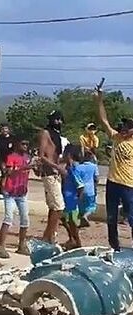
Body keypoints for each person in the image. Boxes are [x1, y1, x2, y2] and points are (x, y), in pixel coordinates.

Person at [94, 88, 133, 251]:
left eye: (128, 127)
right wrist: (99, 100)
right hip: (112, 182)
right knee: (111, 217)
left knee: (131, 217)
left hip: (128, 185)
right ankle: (114, 246)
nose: (124, 128)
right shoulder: (116, 137)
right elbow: (104, 120)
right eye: (123, 125)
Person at [0, 138, 34, 259]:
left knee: (25, 219)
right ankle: (1, 246)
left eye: (27, 144)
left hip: (22, 192)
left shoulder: (27, 158)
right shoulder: (12, 157)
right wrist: (24, 167)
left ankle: (21, 245)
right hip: (10, 191)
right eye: (23, 143)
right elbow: (9, 172)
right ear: (17, 145)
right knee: (8, 217)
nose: (25, 146)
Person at [42, 144, 85, 249]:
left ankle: (77, 242)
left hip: (71, 201)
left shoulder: (73, 169)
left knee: (71, 222)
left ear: (69, 155)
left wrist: (78, 200)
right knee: (65, 220)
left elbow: (80, 186)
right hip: (67, 199)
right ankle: (73, 240)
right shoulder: (68, 166)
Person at [37, 110, 65, 244]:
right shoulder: (45, 133)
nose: (58, 122)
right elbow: (41, 156)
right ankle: (47, 237)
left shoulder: (57, 135)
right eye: (56, 119)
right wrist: (57, 167)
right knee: (59, 207)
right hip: (49, 173)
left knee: (53, 207)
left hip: (55, 173)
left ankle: (50, 236)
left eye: (60, 119)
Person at [76, 151, 100, 228]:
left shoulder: (78, 167)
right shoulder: (94, 166)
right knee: (92, 206)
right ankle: (85, 216)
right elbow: (96, 178)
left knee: (81, 206)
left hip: (80, 190)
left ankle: (81, 222)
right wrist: (95, 186)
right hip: (90, 190)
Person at [0, 123, 14, 198]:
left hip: (11, 158)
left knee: (10, 174)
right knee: (4, 173)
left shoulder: (12, 138)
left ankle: (10, 189)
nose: (4, 130)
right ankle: (1, 191)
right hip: (1, 158)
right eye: (3, 129)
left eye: (6, 129)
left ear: (8, 130)